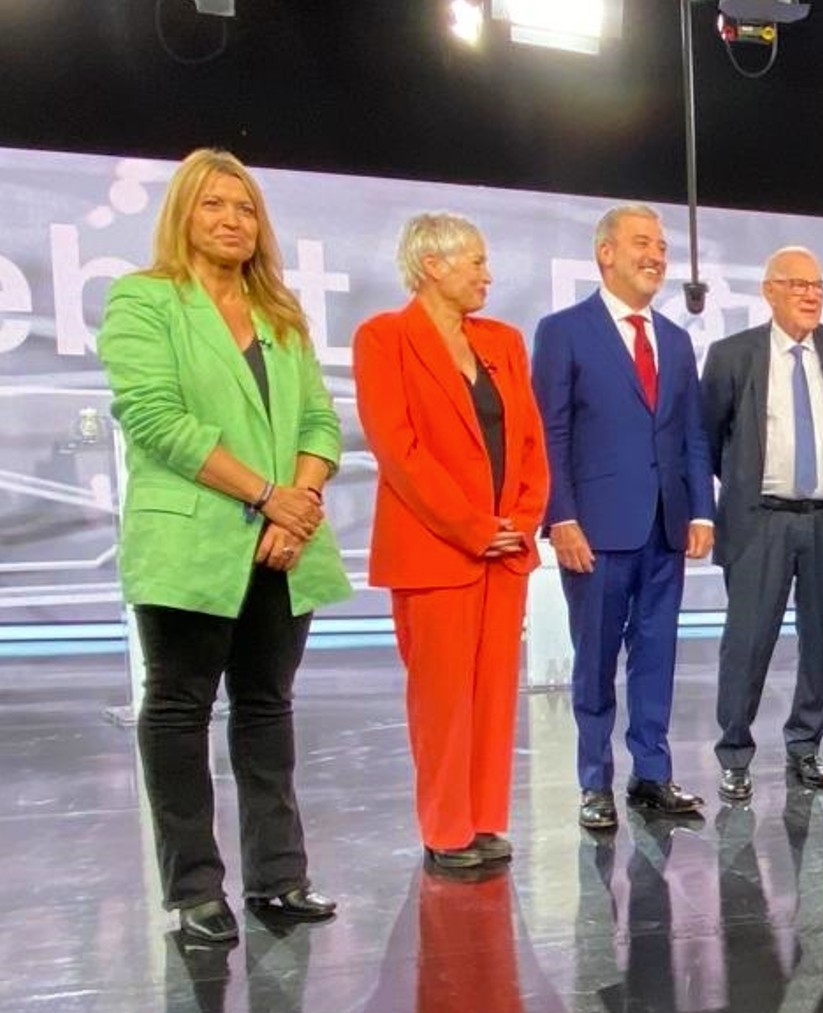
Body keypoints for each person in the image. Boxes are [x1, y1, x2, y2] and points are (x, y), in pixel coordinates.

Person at [96, 148, 351, 943]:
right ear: (183, 214)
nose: (232, 220)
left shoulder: (280, 315)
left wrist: (297, 504)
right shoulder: (144, 301)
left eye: (244, 208)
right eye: (214, 205)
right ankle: (194, 890)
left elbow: (320, 423)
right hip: (191, 545)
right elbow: (156, 420)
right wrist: (266, 494)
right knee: (179, 709)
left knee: (268, 708)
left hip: (285, 543)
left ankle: (278, 878)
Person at [353, 212, 549, 868]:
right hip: (436, 552)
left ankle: (485, 819)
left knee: (494, 694)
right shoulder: (384, 338)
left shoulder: (503, 341)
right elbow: (398, 449)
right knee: (441, 700)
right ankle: (445, 831)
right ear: (432, 264)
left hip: (503, 550)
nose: (487, 275)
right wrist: (472, 528)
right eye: (475, 262)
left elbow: (529, 441)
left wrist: (519, 521)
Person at [532, 204, 715, 827]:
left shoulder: (675, 339)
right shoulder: (564, 331)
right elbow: (549, 434)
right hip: (596, 529)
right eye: (643, 243)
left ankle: (652, 774)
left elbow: (692, 433)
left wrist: (702, 512)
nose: (657, 256)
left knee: (657, 653)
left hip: (666, 526)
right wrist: (560, 517)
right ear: (605, 253)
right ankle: (593, 781)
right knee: (596, 658)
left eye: (662, 246)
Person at [702, 246, 823, 802]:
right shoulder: (732, 355)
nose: (810, 294)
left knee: (820, 642)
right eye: (797, 284)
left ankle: (806, 745)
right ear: (768, 291)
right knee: (747, 643)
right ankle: (734, 753)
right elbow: (708, 440)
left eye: (818, 284)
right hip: (760, 522)